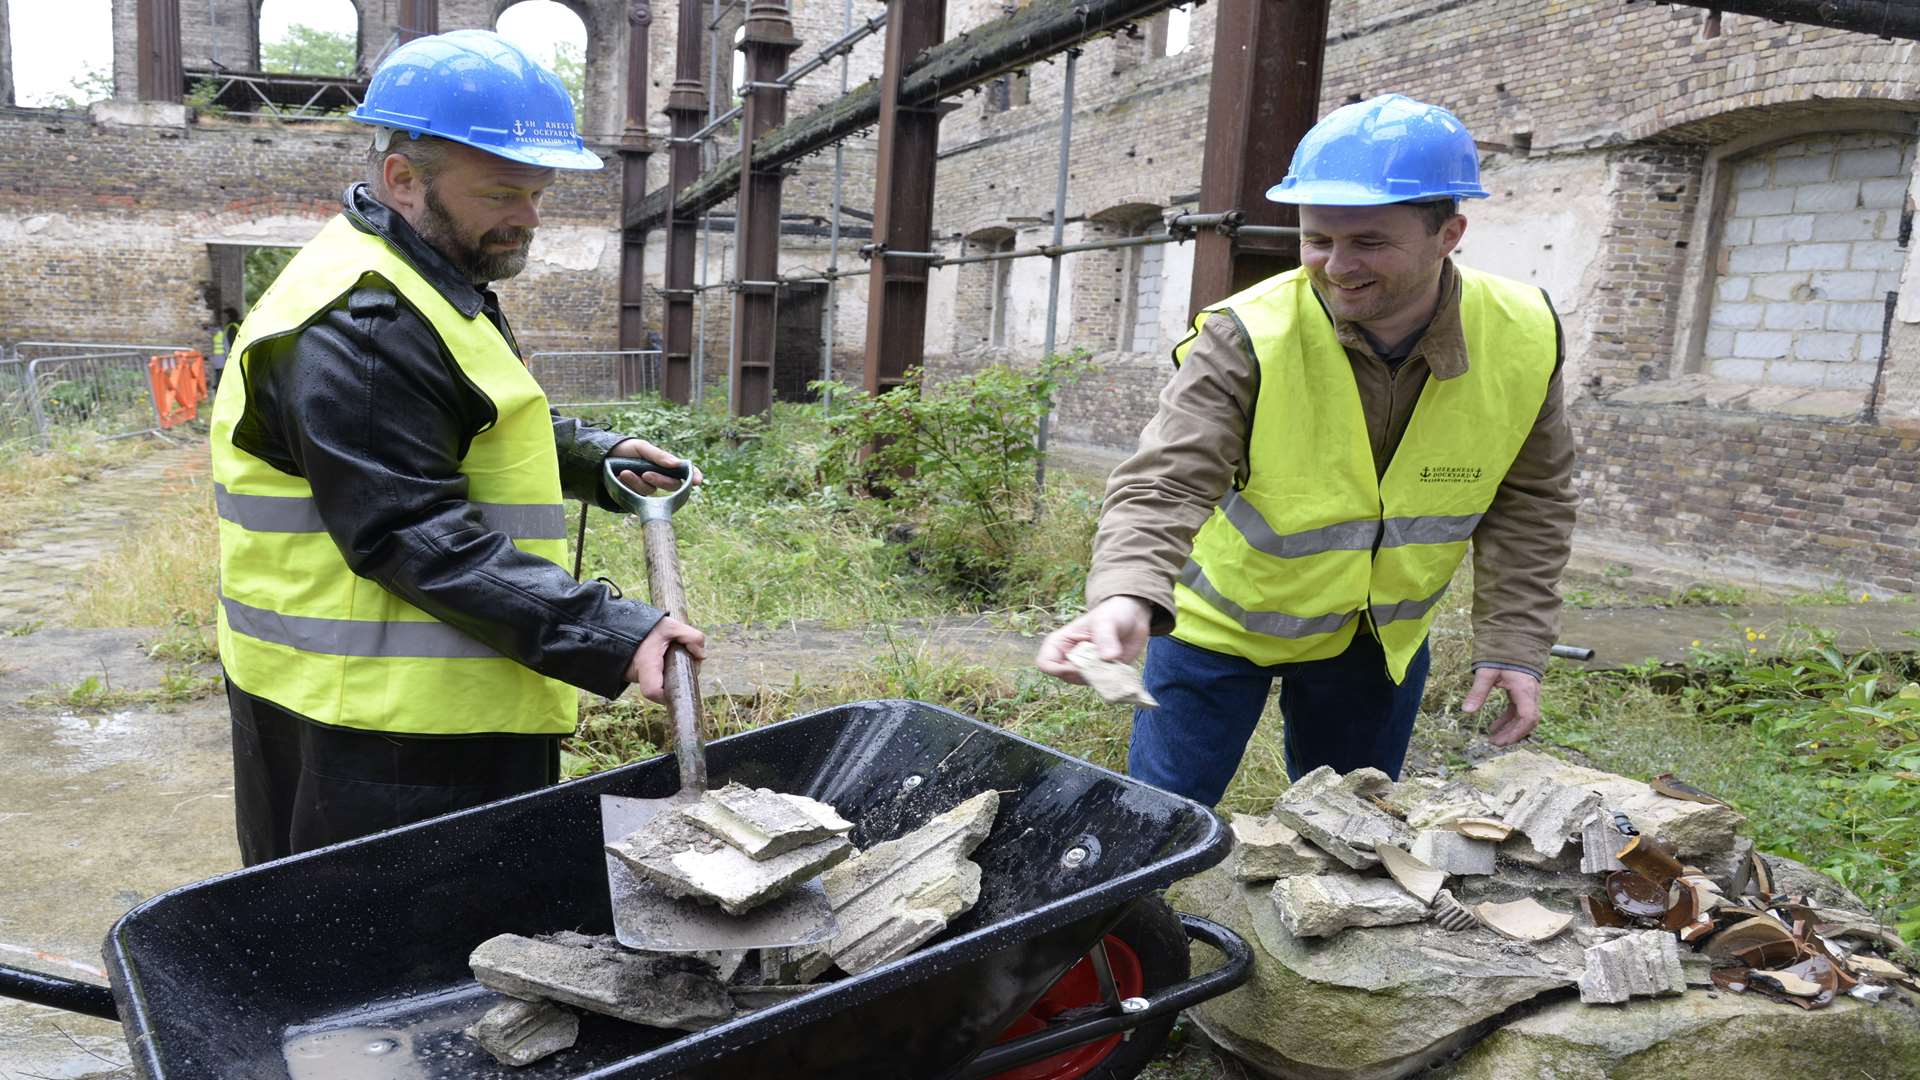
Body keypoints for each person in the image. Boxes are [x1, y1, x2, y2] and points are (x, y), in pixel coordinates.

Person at [208, 29, 706, 865]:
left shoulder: (421, 276)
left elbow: (450, 424)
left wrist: (594, 459)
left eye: (540, 193)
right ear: (403, 179)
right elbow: (411, 530)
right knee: (402, 968)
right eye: (504, 193)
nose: (529, 219)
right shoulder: (362, 325)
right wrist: (613, 632)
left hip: (418, 709)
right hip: (383, 740)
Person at [1036, 94, 1577, 806]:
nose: (1336, 265)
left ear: (1449, 233)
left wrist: (1514, 643)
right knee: (1161, 814)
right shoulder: (1247, 333)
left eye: (1369, 243)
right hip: (1219, 627)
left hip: (1375, 641)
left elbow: (1531, 499)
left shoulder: (1523, 331)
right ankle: (1132, 918)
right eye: (1317, 239)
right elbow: (1168, 480)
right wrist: (1126, 594)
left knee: (1352, 825)